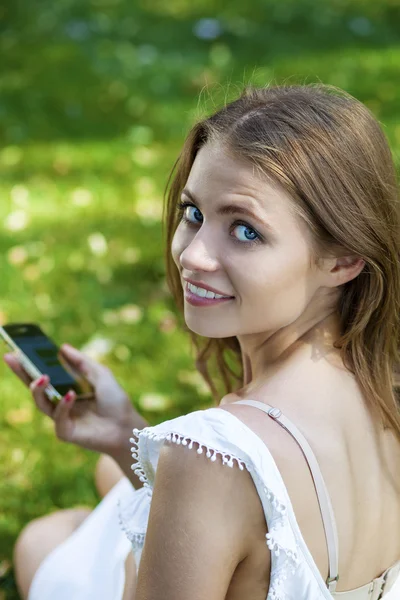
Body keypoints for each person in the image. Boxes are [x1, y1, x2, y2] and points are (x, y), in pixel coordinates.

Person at [5, 82, 400, 599]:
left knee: (43, 541)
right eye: (194, 214)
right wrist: (124, 430)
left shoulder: (213, 460)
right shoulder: (383, 386)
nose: (192, 256)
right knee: (108, 474)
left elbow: (219, 482)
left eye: (245, 231)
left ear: (343, 260)